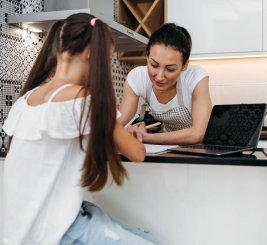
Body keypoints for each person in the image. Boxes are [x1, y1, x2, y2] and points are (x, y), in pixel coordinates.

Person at [2, 13, 158, 245]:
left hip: (17, 228)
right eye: (105, 59)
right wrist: (127, 134)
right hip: (54, 229)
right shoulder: (84, 99)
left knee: (145, 238)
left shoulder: (25, 100)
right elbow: (137, 153)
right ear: (89, 53)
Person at [118, 23, 212, 145]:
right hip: (167, 149)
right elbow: (118, 125)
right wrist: (131, 131)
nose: (160, 77)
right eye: (154, 65)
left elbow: (197, 134)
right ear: (147, 57)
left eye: (170, 69)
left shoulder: (195, 77)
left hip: (198, 150)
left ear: (184, 65)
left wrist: (144, 137)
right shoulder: (137, 77)